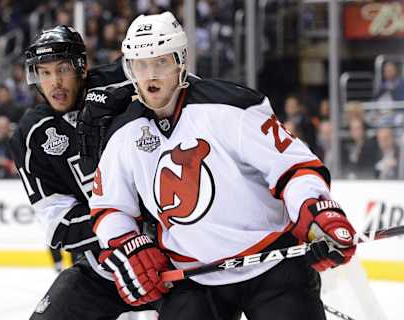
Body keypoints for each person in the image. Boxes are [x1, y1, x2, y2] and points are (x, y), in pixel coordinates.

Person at [89, 11, 357, 320]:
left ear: (180, 61)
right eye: (141, 64)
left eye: (161, 62)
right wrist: (127, 245)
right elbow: (109, 207)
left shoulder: (231, 107)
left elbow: (293, 168)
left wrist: (317, 210)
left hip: (272, 262)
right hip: (191, 277)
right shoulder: (123, 132)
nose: (150, 75)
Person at [9, 25, 221, 320]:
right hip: (107, 265)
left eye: (62, 70)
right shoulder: (31, 137)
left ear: (82, 67)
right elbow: (58, 224)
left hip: (179, 257)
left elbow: (192, 93)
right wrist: (126, 237)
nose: (54, 82)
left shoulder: (126, 79)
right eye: (44, 73)